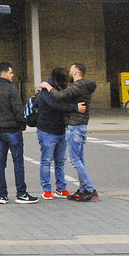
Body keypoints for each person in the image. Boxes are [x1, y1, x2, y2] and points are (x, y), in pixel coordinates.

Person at [40, 62, 98, 201]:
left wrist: (48, 87)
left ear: (77, 71)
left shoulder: (78, 85)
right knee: (80, 159)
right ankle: (83, 189)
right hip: (81, 125)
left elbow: (60, 97)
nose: (70, 70)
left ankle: (89, 188)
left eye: (72, 68)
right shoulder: (85, 85)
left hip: (75, 125)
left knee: (74, 160)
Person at [0, 61, 37, 204]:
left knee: (0, 163)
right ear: (4, 73)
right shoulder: (12, 89)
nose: (13, 75)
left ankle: (2, 194)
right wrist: (22, 124)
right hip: (13, 130)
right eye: (11, 72)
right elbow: (18, 111)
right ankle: (21, 193)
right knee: (18, 162)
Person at [35, 67, 86, 200]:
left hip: (60, 129)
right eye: (64, 82)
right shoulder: (46, 90)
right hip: (46, 130)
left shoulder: (62, 89)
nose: (66, 84)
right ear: (57, 80)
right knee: (46, 161)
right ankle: (46, 189)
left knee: (60, 161)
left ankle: (61, 188)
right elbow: (56, 104)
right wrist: (75, 108)